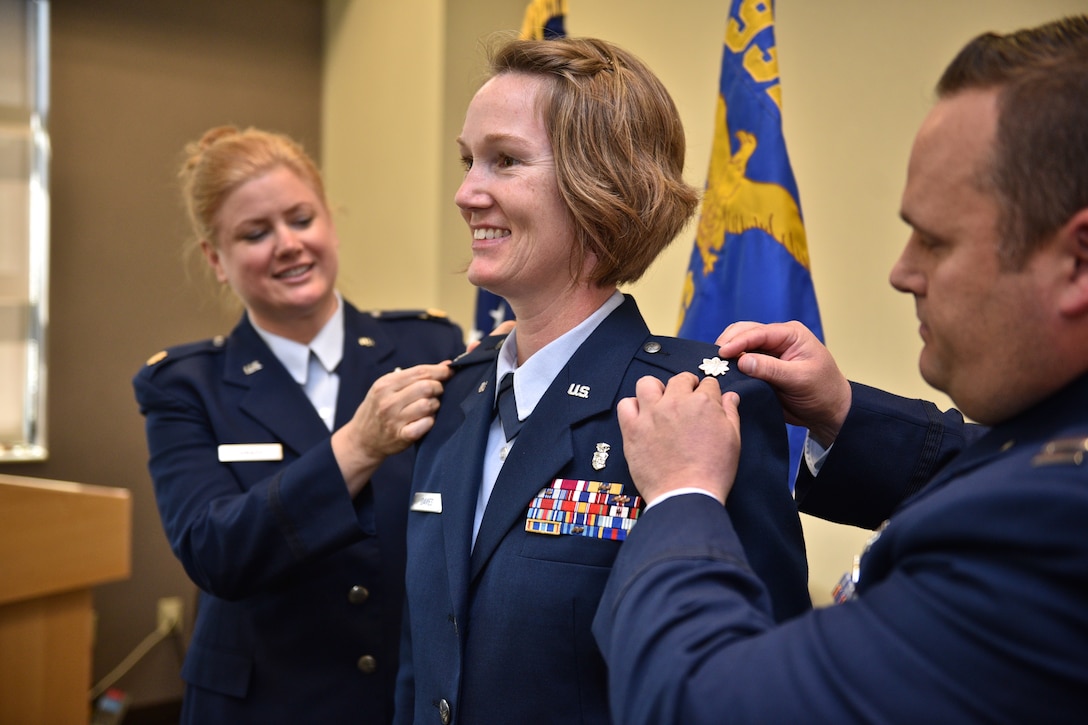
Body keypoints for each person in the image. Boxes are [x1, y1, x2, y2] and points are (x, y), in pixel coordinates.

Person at [593, 16, 1088, 724]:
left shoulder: (1046, 531)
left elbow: (703, 705)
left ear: (1076, 262)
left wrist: (682, 497)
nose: (902, 273)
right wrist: (842, 414)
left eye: (936, 241)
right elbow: (994, 458)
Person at [393, 37, 811, 725]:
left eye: (505, 160)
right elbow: (423, 667)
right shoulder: (455, 396)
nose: (466, 194)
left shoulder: (699, 404)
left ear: (600, 186)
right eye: (469, 161)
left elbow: (762, 682)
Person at [132, 126, 464, 724]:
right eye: (255, 233)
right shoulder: (185, 386)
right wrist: (358, 445)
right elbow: (216, 552)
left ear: (330, 224)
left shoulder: (429, 347)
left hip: (400, 696)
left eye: (301, 219)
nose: (287, 244)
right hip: (262, 704)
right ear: (216, 259)